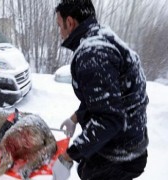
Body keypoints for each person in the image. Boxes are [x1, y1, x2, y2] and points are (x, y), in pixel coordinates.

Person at [52, 0, 149, 179]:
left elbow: (109, 119)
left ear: (70, 22)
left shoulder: (93, 54)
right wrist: (75, 118)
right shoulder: (101, 38)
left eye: (60, 25)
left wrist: (68, 156)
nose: (60, 33)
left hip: (118, 156)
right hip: (130, 142)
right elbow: (107, 97)